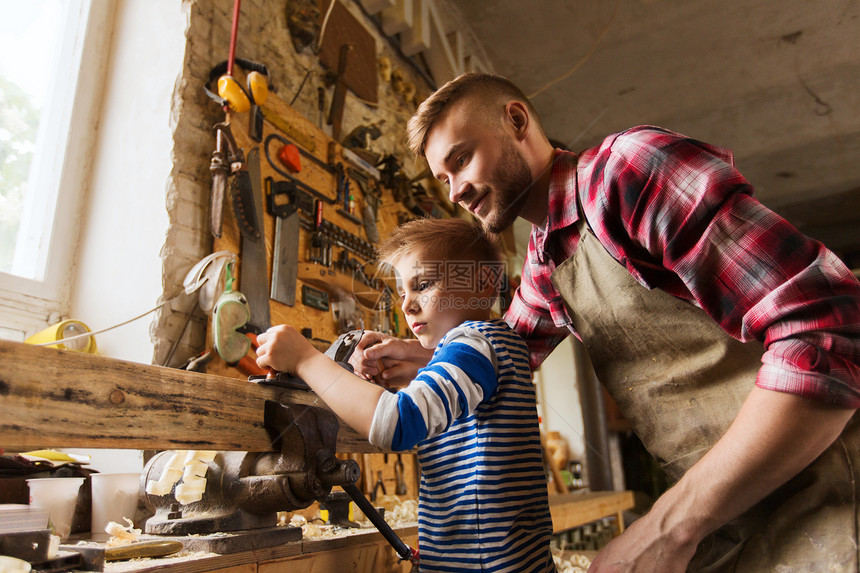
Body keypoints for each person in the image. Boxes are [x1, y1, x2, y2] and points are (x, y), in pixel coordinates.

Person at [349, 72, 860, 572]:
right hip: (735, 514)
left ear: (517, 120)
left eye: (462, 159)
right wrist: (419, 357)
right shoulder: (545, 259)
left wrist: (667, 526)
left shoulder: (626, 171)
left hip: (828, 488)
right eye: (443, 178)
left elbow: (825, 330)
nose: (456, 190)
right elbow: (502, 355)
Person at [256, 217, 556, 572]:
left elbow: (398, 422)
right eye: (402, 293)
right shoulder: (499, 344)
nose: (407, 306)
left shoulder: (474, 344)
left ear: (483, 282)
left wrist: (305, 359)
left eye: (424, 285)